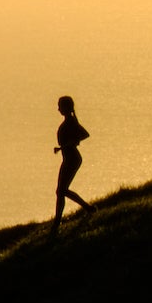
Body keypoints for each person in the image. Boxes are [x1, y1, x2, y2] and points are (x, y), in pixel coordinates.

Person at [53, 94, 92, 227]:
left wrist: (66, 145)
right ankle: (58, 220)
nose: (58, 109)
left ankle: (87, 208)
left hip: (72, 158)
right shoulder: (70, 121)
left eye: (60, 106)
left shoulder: (71, 122)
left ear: (65, 107)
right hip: (68, 158)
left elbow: (84, 135)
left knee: (61, 191)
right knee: (60, 191)